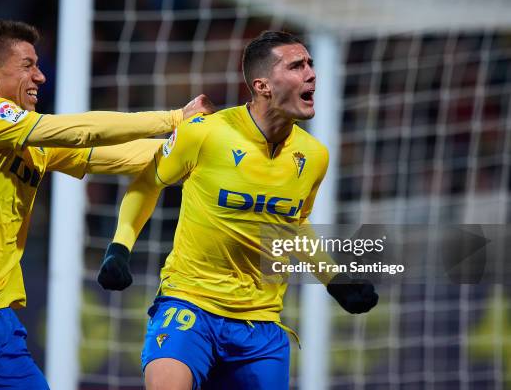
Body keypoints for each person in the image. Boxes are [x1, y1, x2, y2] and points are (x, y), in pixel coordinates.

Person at [0, 20, 214, 389]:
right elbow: (78, 130)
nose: (40, 76)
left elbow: (117, 156)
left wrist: (193, 152)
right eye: (28, 65)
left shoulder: (33, 142)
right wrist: (174, 118)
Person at [97, 31, 379, 389]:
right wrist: (120, 248)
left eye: (310, 64)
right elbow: (149, 183)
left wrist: (335, 280)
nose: (311, 74)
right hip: (190, 304)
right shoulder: (205, 133)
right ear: (262, 85)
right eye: (296, 66)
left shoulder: (314, 156)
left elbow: (293, 225)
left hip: (260, 324)